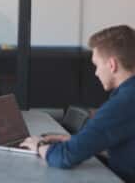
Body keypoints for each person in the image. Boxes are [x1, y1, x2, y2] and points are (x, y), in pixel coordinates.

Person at [20, 25, 135, 183]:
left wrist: (38, 145)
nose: (96, 72)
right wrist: (78, 141)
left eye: (96, 65)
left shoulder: (122, 104)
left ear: (112, 65)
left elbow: (64, 157)